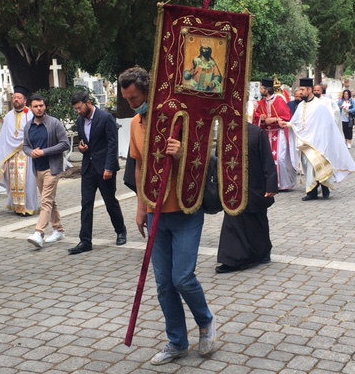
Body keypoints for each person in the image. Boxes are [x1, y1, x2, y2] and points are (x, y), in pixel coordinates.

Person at [119, 66, 216, 365]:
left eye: (135, 98)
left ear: (148, 91)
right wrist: (140, 207)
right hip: (155, 213)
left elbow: (204, 155)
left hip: (185, 209)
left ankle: (205, 321)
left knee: (182, 278)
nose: (132, 104)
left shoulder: (178, 118)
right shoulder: (136, 123)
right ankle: (177, 341)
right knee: (163, 283)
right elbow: (138, 166)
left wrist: (182, 151)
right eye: (127, 99)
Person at [281, 78, 355, 201]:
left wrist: (321, 140)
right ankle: (313, 191)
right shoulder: (301, 105)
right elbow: (297, 122)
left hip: (318, 142)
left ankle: (321, 188)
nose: (301, 92)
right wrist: (288, 124)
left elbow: (326, 125)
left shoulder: (320, 106)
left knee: (318, 165)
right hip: (305, 141)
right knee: (308, 166)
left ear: (309, 90)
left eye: (303, 90)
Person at [69, 91, 127, 254]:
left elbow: (112, 144)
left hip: (104, 169)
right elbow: (85, 142)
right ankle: (85, 241)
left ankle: (121, 231)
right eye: (76, 109)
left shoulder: (105, 118)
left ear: (88, 103)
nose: (78, 111)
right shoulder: (80, 120)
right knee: (86, 204)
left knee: (110, 201)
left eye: (80, 108)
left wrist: (109, 168)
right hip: (88, 168)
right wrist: (82, 148)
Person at [215, 122, 277, 273]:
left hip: (255, 185)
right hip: (232, 188)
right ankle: (232, 258)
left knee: (258, 219)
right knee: (233, 221)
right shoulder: (225, 133)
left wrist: (271, 185)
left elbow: (267, 160)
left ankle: (263, 251)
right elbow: (218, 160)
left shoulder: (257, 133)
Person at [24, 94, 70, 248]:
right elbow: (25, 146)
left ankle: (39, 233)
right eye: (35, 106)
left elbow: (65, 144)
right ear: (30, 108)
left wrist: (44, 152)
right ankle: (58, 230)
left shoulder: (54, 123)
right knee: (49, 200)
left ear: (45, 106)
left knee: (45, 201)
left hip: (52, 168)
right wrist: (31, 152)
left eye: (41, 106)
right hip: (37, 169)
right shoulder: (28, 126)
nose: (39, 109)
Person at [0, 85, 39, 216]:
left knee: (27, 181)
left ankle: (28, 207)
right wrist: (4, 154)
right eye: (15, 97)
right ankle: (16, 206)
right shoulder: (8, 116)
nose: (16, 99)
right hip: (11, 154)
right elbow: (4, 137)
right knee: (13, 180)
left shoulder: (31, 114)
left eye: (19, 98)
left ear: (25, 100)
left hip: (27, 152)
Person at [254, 78, 297, 191]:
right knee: (267, 160)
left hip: (278, 133)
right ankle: (270, 184)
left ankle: (283, 184)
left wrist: (274, 119)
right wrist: (261, 117)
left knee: (280, 158)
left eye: (262, 88)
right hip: (266, 134)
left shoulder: (279, 101)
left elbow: (287, 117)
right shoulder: (261, 103)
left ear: (267, 90)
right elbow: (256, 116)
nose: (260, 90)